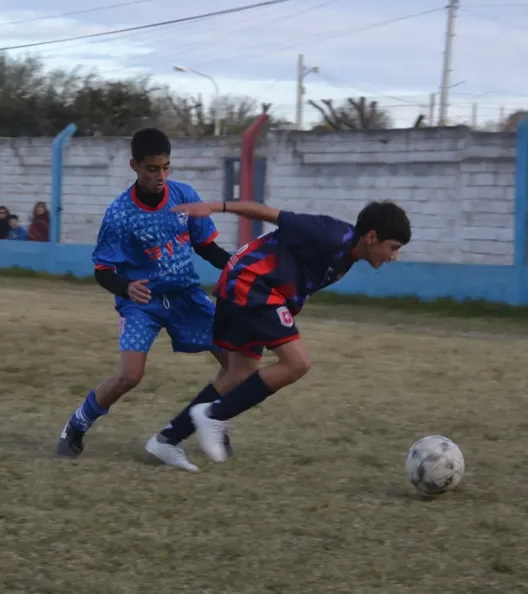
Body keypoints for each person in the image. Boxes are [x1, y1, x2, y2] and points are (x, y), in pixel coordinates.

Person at [164, 199, 411, 464]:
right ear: (372, 237)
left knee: (239, 374)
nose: (393, 257)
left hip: (251, 285)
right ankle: (214, 415)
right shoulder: (329, 233)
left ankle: (167, 439)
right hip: (252, 283)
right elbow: (270, 214)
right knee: (297, 363)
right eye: (393, 248)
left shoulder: (347, 253)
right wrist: (217, 207)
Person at [56, 127, 238, 471]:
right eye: (153, 169)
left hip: (186, 296)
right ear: (134, 166)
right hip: (143, 303)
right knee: (130, 376)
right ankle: (76, 426)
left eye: (166, 167)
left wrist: (236, 267)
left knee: (236, 365)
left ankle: (215, 418)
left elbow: (206, 246)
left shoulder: (184, 197)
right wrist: (125, 288)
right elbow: (102, 269)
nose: (161, 176)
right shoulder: (120, 214)